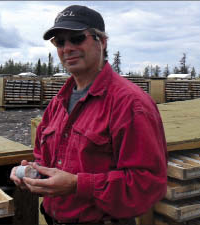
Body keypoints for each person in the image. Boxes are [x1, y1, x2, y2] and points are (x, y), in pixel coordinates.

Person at [10, 5, 167, 225]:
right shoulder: (58, 102)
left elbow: (147, 183)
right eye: (60, 42)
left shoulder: (130, 103)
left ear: (102, 41)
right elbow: (45, 157)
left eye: (76, 38)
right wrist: (33, 173)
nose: (67, 48)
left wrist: (77, 184)